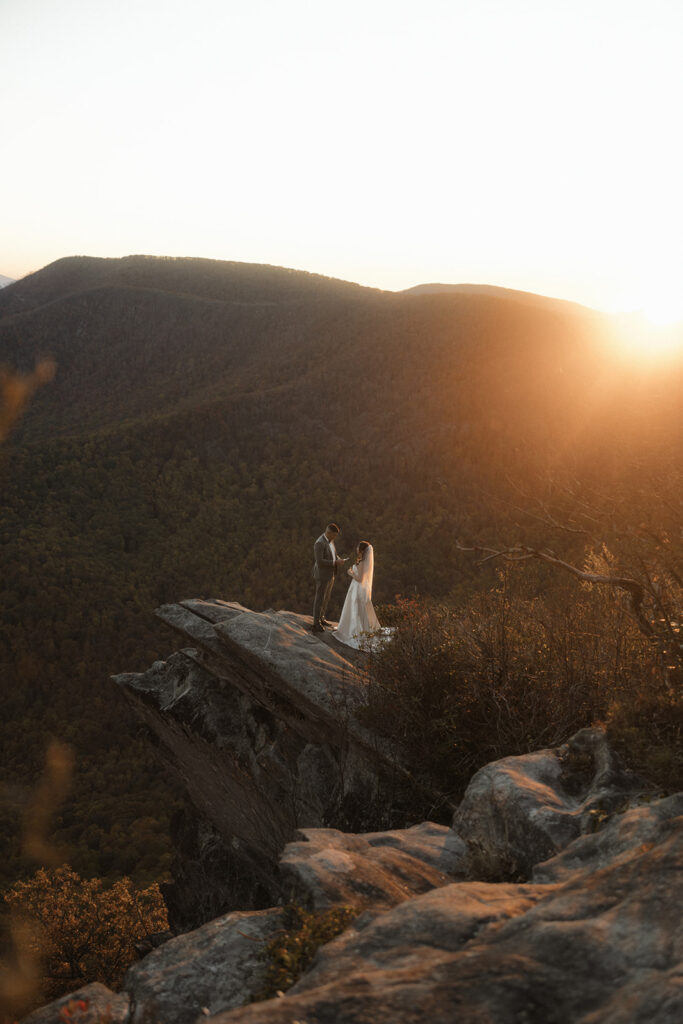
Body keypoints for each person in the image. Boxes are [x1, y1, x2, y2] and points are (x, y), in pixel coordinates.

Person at [333, 541, 381, 648]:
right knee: (359, 609)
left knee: (356, 608)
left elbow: (360, 579)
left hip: (358, 588)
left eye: (358, 547)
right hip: (361, 588)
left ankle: (354, 630)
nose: (356, 548)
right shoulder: (364, 562)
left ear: (362, 550)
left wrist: (350, 573)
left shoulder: (362, 563)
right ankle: (362, 629)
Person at [312, 523, 346, 633]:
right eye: (334, 535)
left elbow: (333, 554)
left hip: (331, 574)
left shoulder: (330, 541)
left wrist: (338, 558)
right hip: (322, 575)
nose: (335, 537)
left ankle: (322, 618)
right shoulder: (319, 543)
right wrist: (335, 562)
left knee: (326, 598)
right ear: (329, 533)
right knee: (320, 599)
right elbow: (320, 561)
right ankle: (316, 623)